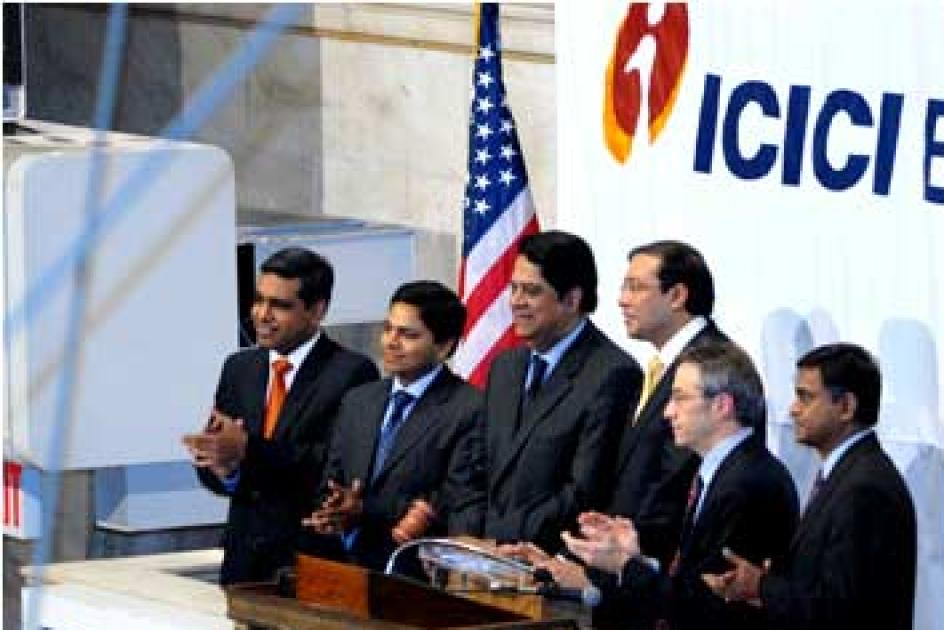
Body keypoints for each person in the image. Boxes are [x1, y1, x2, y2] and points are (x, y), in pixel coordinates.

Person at [514, 342, 798, 630]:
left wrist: (620, 566)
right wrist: (632, 558)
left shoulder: (749, 483)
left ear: (722, 405)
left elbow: (708, 603)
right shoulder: (725, 471)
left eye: (680, 398)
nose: (668, 412)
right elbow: (690, 584)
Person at [184, 247, 378, 585]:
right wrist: (224, 468)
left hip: (308, 563)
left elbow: (329, 467)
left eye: (280, 305)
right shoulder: (239, 368)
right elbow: (219, 465)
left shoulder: (352, 373)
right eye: (259, 300)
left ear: (316, 311)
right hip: (244, 565)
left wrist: (247, 449)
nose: (262, 314)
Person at [703, 342, 917, 630]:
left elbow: (841, 610)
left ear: (846, 406)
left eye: (805, 397)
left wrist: (761, 586)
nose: (793, 410)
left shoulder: (865, 489)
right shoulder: (848, 474)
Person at [302, 281, 485, 572]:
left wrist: (365, 509)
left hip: (416, 572)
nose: (391, 342)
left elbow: (455, 500)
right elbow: (332, 478)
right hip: (346, 567)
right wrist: (335, 505)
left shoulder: (469, 408)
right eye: (388, 329)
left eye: (408, 334)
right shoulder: (359, 400)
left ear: (444, 346)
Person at [483, 231, 642, 553]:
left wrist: (500, 537)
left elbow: (584, 492)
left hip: (548, 559)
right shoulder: (504, 366)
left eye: (531, 291)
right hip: (484, 554)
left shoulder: (613, 373)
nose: (516, 302)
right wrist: (471, 534)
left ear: (572, 299)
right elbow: (476, 466)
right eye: (514, 288)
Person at [609, 240, 731, 566]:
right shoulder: (662, 365)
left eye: (636, 287)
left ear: (677, 295)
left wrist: (620, 558)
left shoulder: (712, 364)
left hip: (666, 569)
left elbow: (676, 482)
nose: (622, 300)